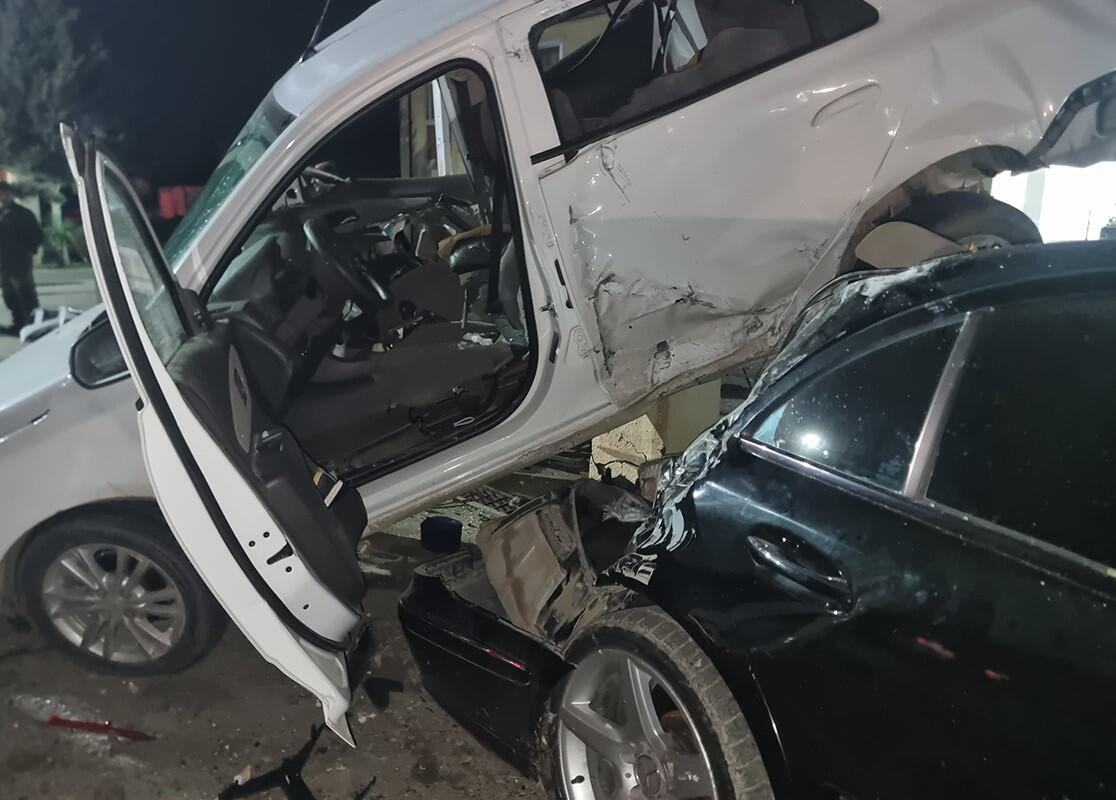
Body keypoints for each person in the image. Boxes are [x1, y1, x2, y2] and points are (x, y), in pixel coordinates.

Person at [0, 182, 44, 335]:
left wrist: (28, 250)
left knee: (25, 294)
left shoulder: (22, 214)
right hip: (4, 263)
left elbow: (37, 236)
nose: (2, 197)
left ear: (12, 195)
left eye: (5, 193)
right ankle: (18, 324)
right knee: (9, 296)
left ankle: (34, 326)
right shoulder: (1, 213)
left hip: (20, 262)